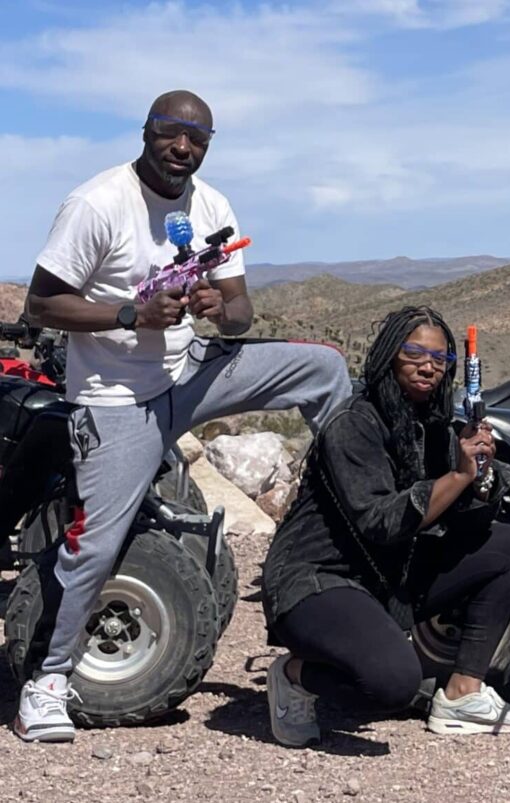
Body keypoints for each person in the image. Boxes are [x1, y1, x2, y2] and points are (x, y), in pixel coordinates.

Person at [17, 90, 351, 742]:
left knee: (327, 369)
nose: (183, 148)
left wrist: (216, 308)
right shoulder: (98, 203)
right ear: (147, 132)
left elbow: (242, 310)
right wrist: (127, 315)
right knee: (98, 540)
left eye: (197, 139)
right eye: (172, 133)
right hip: (119, 399)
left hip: (194, 370)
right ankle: (49, 681)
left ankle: (347, 513)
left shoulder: (209, 207)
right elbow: (41, 305)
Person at [261, 305, 510, 746]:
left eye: (441, 359)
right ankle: (294, 675)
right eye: (414, 353)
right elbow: (381, 522)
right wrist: (459, 475)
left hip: (388, 574)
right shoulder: (354, 425)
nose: (428, 367)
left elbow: (458, 512)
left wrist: (482, 478)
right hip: (317, 579)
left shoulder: (436, 425)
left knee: (509, 546)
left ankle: (463, 693)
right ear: (390, 355)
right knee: (393, 686)